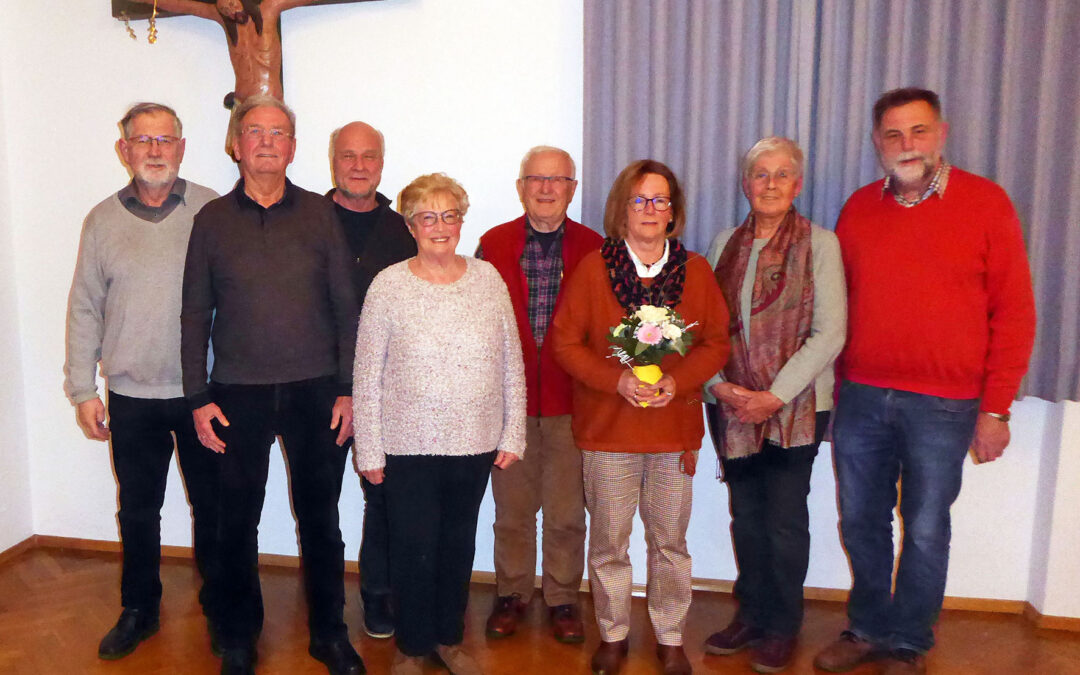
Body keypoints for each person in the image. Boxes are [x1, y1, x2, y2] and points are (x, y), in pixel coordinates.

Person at [814, 88, 1036, 675]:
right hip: (862, 396)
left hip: (946, 405)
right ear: (877, 144)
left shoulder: (988, 204)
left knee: (927, 527)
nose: (905, 145)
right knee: (860, 519)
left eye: (917, 131)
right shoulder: (858, 209)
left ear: (941, 134)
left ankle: (909, 642)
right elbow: (837, 311)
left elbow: (1014, 313)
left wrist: (998, 409)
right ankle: (866, 629)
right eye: (892, 134)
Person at [180, 95, 363, 675]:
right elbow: (193, 315)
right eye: (253, 131)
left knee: (321, 518)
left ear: (292, 148)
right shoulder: (210, 221)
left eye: (277, 132)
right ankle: (238, 636)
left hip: (317, 391)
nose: (264, 141)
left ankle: (329, 634)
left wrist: (349, 387)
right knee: (235, 521)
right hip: (236, 391)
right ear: (235, 144)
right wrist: (198, 396)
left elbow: (345, 307)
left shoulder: (318, 215)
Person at [550, 160, 730, 675]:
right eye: (640, 200)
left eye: (660, 201)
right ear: (621, 209)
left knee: (669, 541)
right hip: (608, 430)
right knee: (609, 541)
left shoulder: (695, 271)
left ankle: (670, 635)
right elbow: (565, 343)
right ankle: (613, 633)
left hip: (673, 430)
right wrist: (618, 381)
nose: (650, 210)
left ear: (673, 212)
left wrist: (679, 380)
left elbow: (716, 342)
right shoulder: (592, 268)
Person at [352, 172, 526, 675]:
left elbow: (510, 360)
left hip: (474, 442)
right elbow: (367, 375)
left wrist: (512, 431)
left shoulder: (487, 280)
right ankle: (411, 645)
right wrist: (370, 451)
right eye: (427, 216)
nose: (440, 226)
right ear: (410, 225)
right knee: (412, 547)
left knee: (456, 546)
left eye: (449, 215)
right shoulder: (388, 286)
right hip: (407, 444)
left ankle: (449, 639)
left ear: (462, 221)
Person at [64, 102, 220, 661]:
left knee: (215, 506)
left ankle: (221, 606)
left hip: (204, 394)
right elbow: (85, 307)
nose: (155, 150)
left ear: (181, 146)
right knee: (137, 510)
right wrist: (82, 389)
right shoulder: (101, 221)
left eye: (165, 139)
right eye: (143, 140)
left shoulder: (212, 210)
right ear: (124, 149)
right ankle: (140, 610)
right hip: (131, 395)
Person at [701, 137, 846, 673]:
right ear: (746, 183)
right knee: (747, 516)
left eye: (781, 174)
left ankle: (782, 625)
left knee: (784, 520)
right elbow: (705, 325)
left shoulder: (821, 244)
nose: (769, 184)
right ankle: (752, 615)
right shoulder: (723, 244)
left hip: (798, 407)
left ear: (798, 185)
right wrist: (718, 386)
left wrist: (774, 396)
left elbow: (830, 333)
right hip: (732, 407)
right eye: (760, 174)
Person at [476, 146, 602, 643]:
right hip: (509, 404)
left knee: (568, 512)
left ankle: (563, 598)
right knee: (512, 511)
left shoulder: (597, 247)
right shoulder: (494, 243)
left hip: (575, 404)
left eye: (558, 180)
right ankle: (511, 593)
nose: (547, 189)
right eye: (537, 179)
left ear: (573, 189)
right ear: (521, 186)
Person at [327, 120, 416, 640]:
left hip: (389, 387)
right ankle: (326, 602)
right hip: (319, 385)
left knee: (382, 496)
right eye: (348, 156)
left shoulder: (404, 225)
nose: (358, 166)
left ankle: (380, 597)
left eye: (369, 156)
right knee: (319, 499)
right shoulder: (306, 218)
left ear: (382, 162)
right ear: (333, 161)